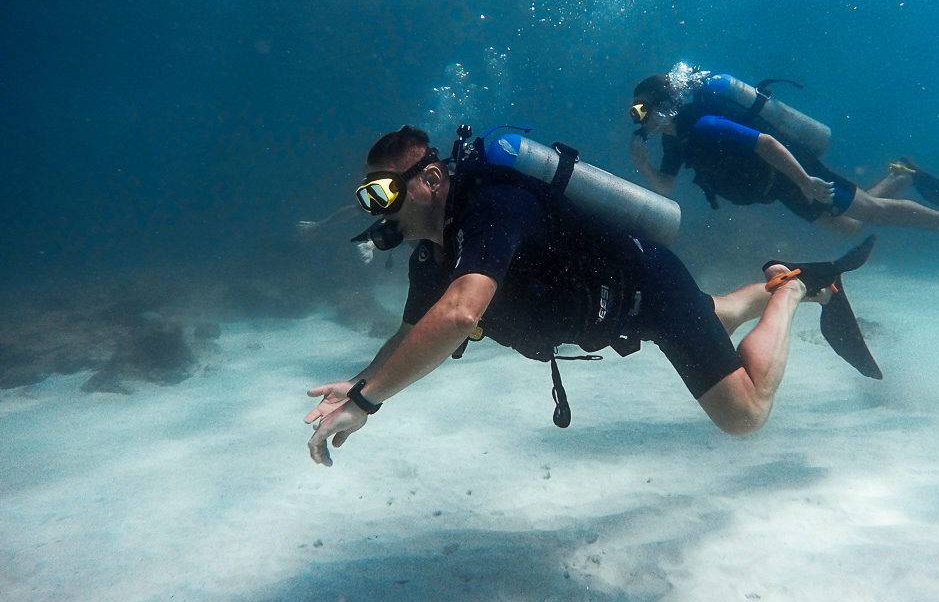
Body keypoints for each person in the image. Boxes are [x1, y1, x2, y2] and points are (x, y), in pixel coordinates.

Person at [304, 125, 839, 467]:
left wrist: (368, 402)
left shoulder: (493, 206)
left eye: (383, 192)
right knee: (717, 314)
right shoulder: (432, 258)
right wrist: (360, 382)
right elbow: (409, 333)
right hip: (612, 314)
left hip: (649, 289)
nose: (377, 211)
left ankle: (792, 289)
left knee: (743, 415)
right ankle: (775, 279)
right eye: (368, 198)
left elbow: (460, 313)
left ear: (431, 179)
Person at [628, 68, 939, 244]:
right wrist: (644, 164)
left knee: (872, 211)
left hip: (793, 173)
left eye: (642, 110)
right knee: (848, 227)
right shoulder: (675, 141)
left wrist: (805, 181)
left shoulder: (703, 124)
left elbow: (767, 144)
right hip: (781, 188)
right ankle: (900, 176)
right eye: (635, 113)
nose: (638, 119)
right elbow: (667, 187)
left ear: (664, 104)